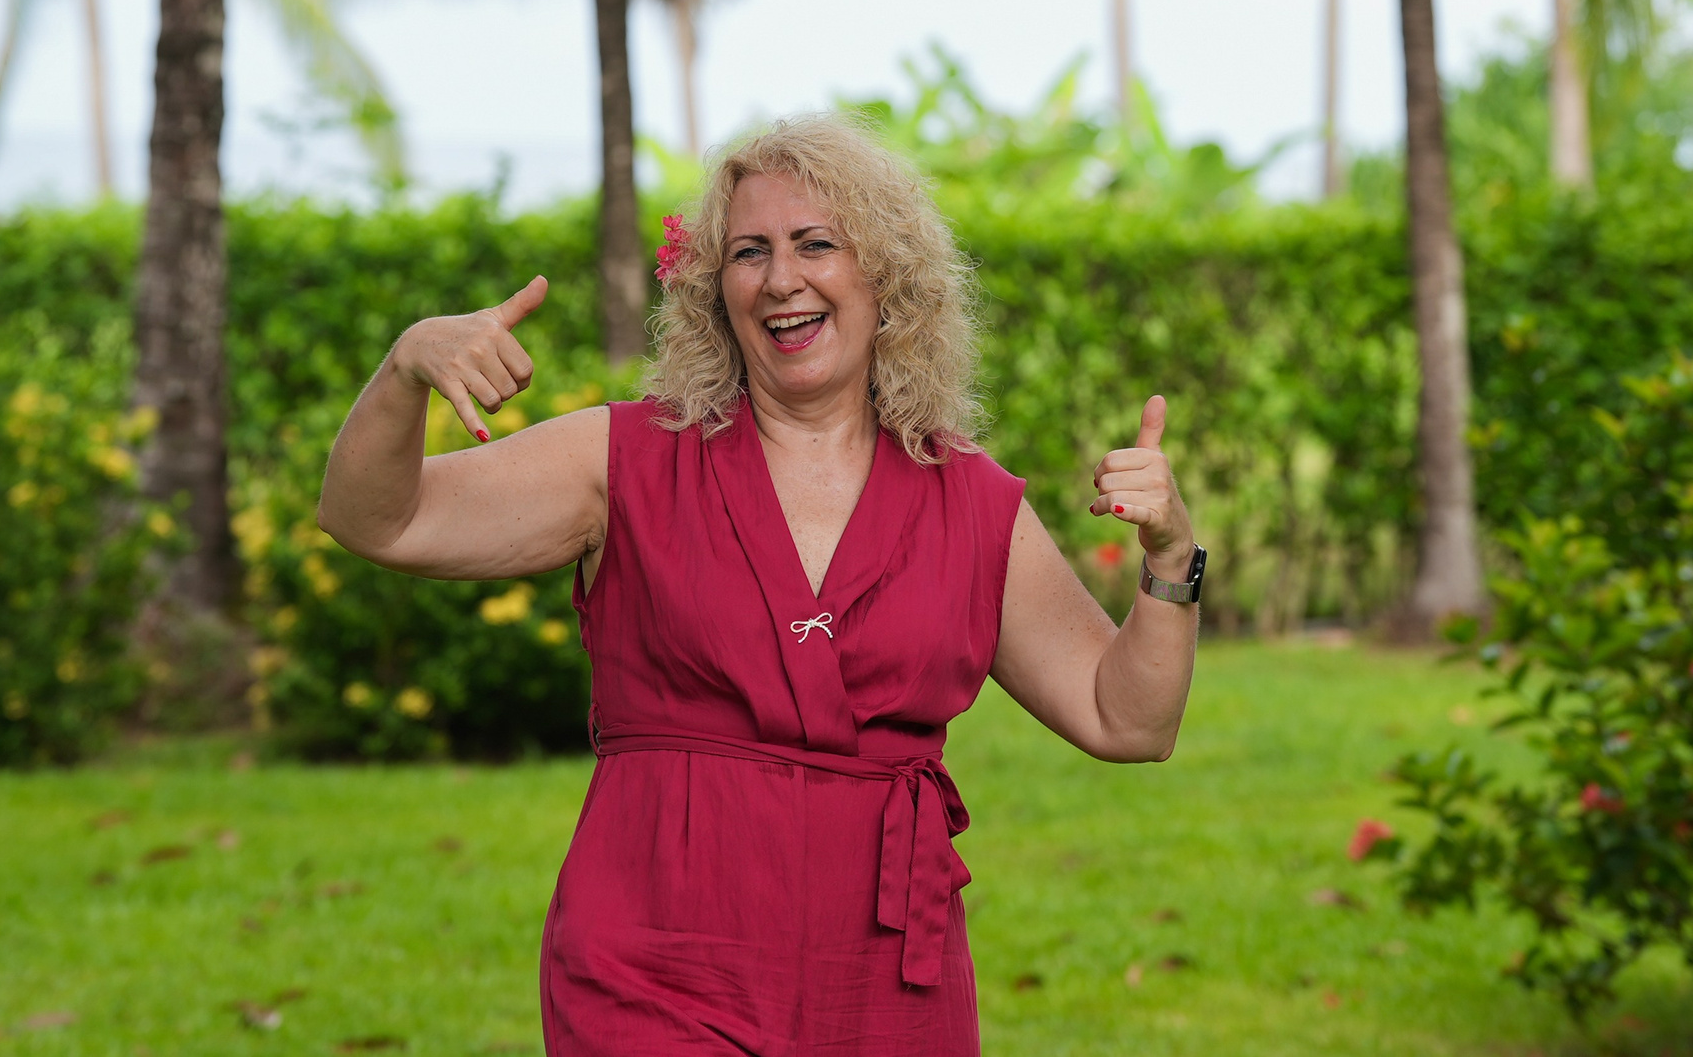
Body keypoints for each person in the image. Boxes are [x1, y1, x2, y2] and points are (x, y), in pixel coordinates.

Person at [318, 114, 1201, 1055]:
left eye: (816, 244)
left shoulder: (972, 504)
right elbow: (380, 518)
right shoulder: (621, 462)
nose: (782, 279)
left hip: (884, 986)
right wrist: (407, 367)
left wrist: (1169, 557)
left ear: (887, 276)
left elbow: (1127, 720)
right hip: (653, 972)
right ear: (714, 290)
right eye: (750, 252)